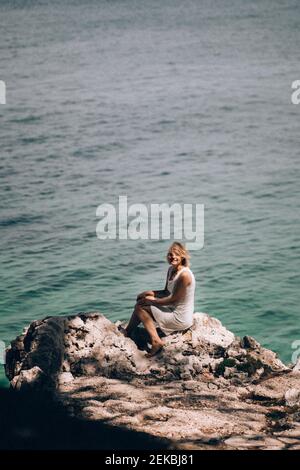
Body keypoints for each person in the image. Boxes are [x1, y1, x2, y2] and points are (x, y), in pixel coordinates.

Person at [124, 242, 196, 356]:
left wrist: (149, 301)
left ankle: (156, 341)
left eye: (176, 254)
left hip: (180, 318)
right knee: (142, 301)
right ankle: (128, 331)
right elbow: (166, 292)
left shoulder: (184, 275)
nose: (172, 257)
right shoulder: (171, 270)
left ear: (182, 256)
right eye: (170, 254)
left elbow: (173, 300)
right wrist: (146, 293)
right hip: (172, 309)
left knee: (140, 306)